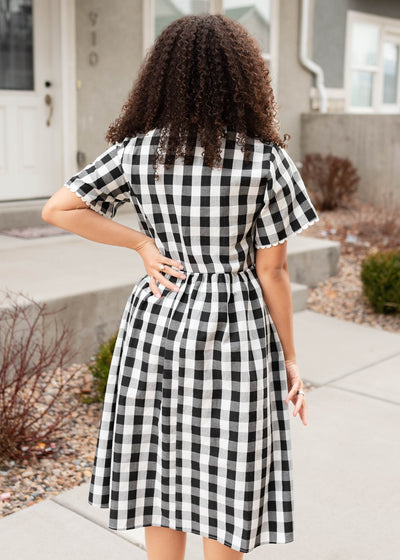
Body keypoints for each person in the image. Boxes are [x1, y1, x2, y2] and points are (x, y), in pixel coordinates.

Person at [41, 13, 319, 560]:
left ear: (162, 76)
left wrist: (142, 245)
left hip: (159, 318)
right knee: (227, 471)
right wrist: (290, 360)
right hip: (235, 327)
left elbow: (58, 208)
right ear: (243, 78)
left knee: (160, 464)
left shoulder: (139, 150)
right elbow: (273, 272)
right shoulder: (267, 160)